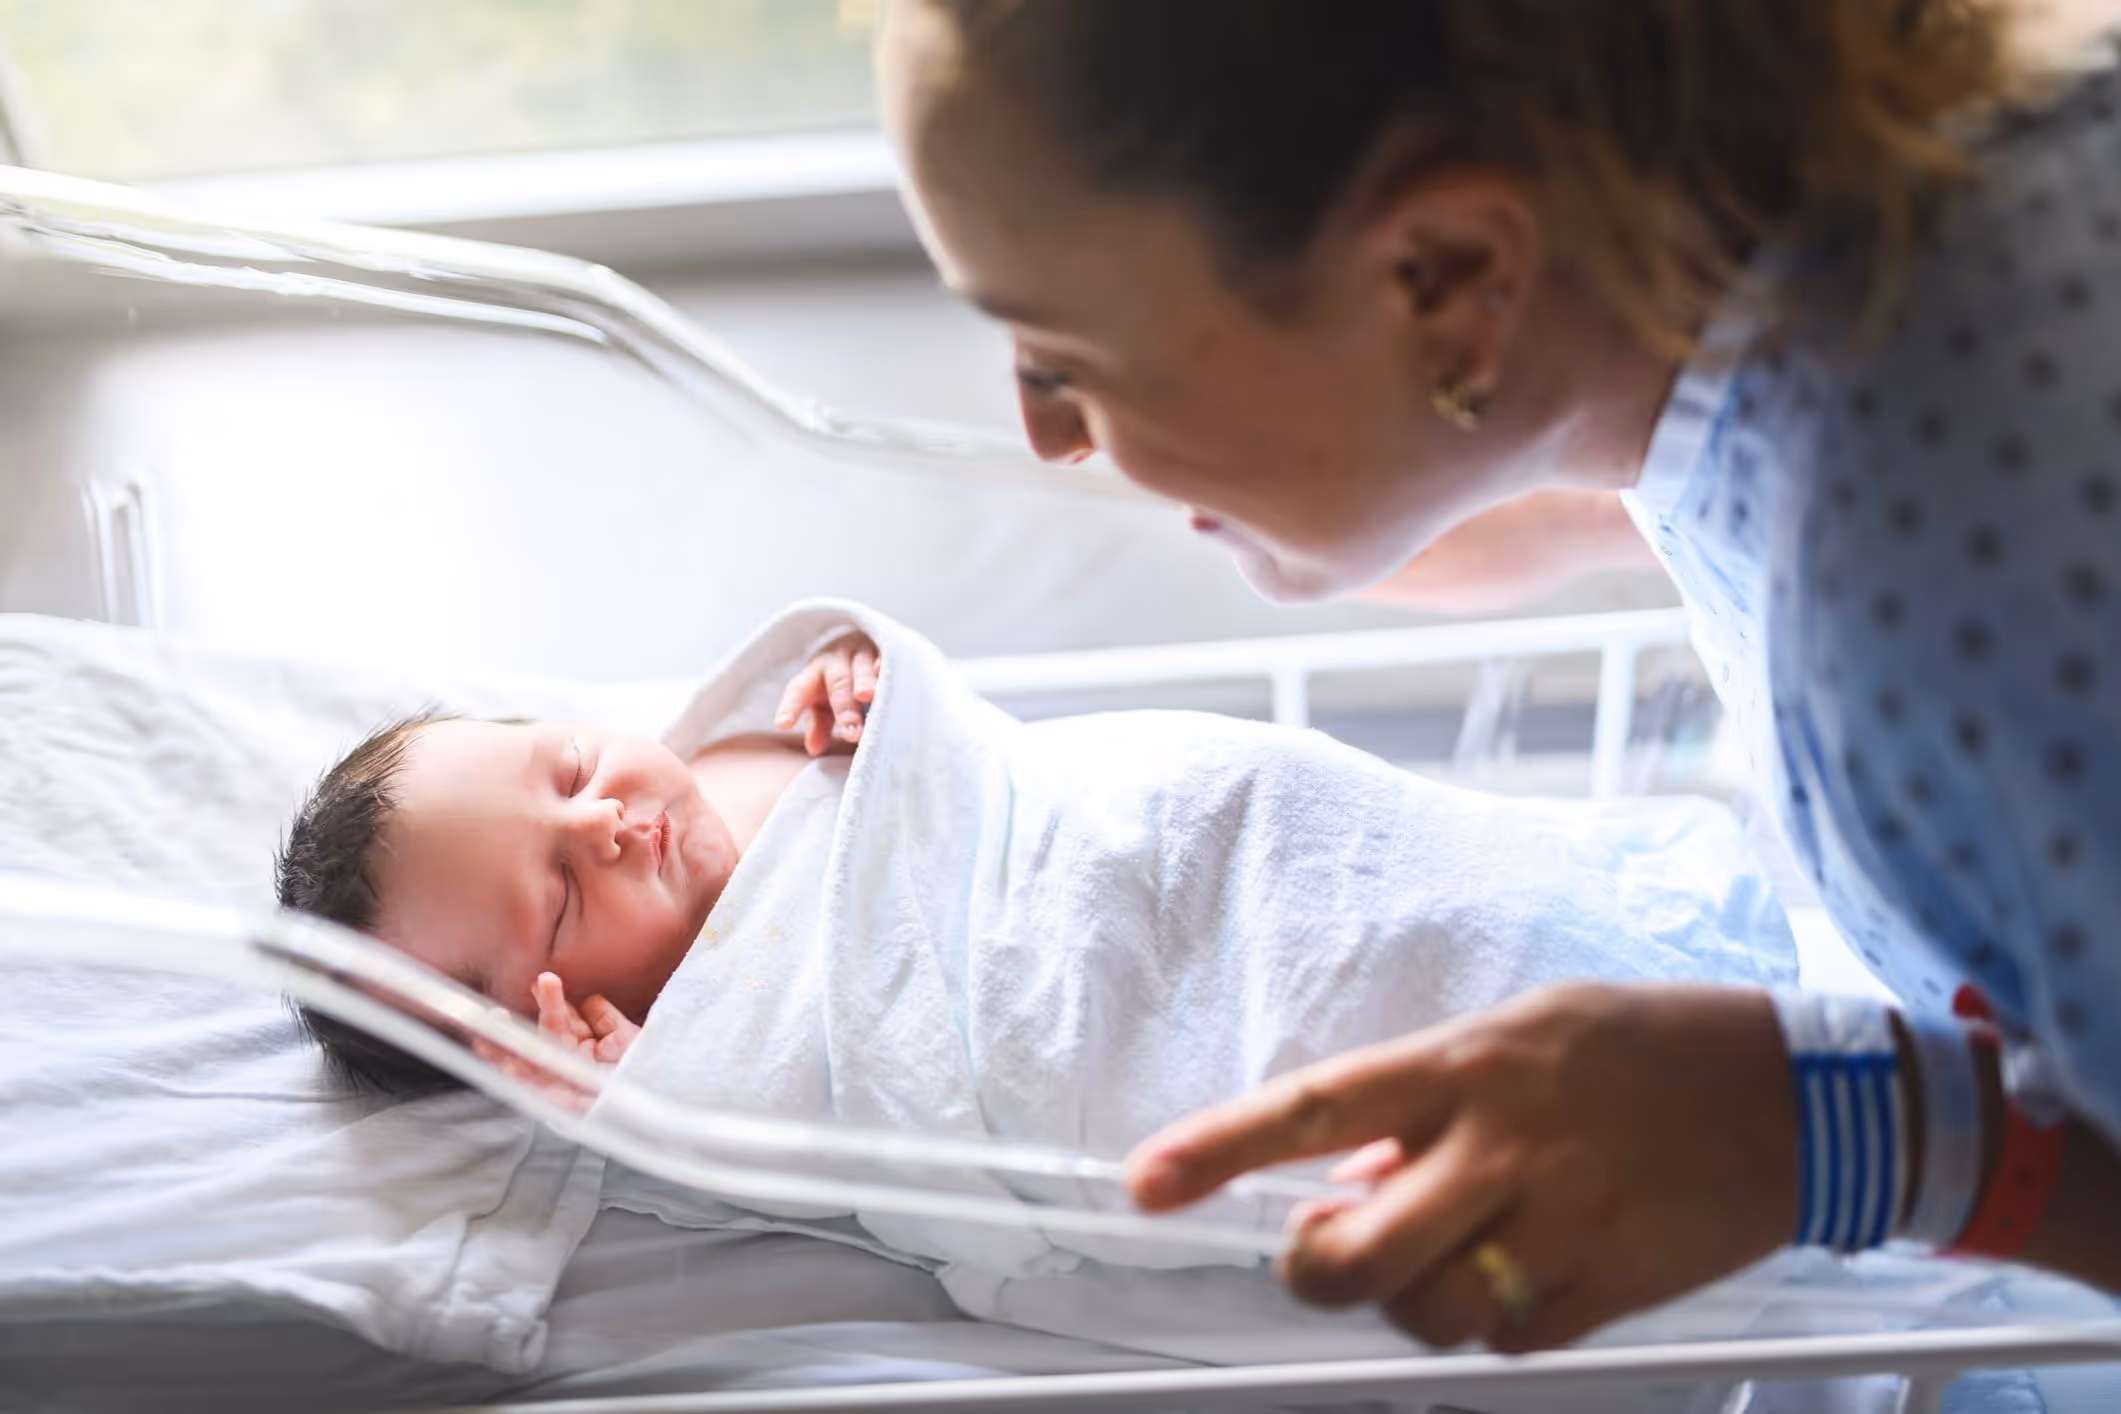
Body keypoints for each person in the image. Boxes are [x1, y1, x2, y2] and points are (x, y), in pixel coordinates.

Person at [877, 0, 2121, 1355]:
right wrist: (1316, 477)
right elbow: (1582, 480)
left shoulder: (1946, 561)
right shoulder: (1775, 273)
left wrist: (1825, 1126)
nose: (1048, 434)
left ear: (1449, 273)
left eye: (1065, 357)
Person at [275, 631, 883, 1095]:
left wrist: (852, 676)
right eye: (563, 896)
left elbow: (913, 734)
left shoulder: (733, 749)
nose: (601, 821)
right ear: (536, 1034)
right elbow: (822, 1116)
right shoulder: (703, 1047)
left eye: (574, 772)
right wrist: (649, 1093)